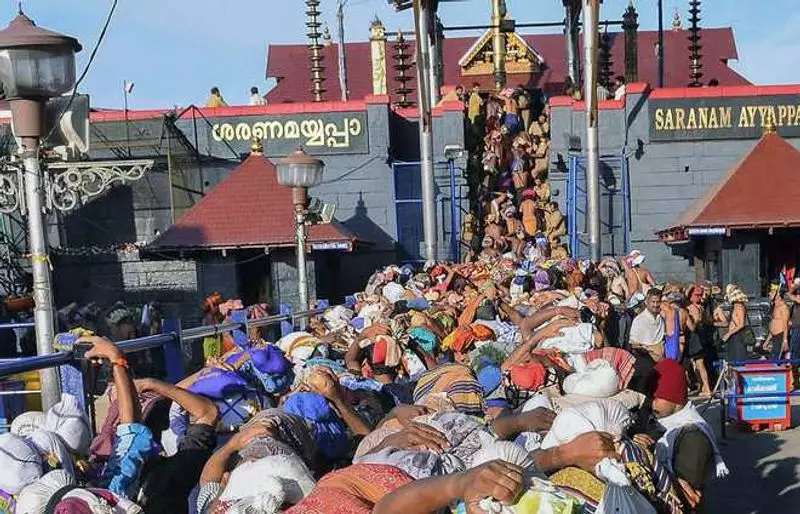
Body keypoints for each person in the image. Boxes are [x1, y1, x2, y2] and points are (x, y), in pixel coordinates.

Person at [645, 359, 728, 512]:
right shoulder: (663, 424)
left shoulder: (693, 436)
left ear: (673, 397)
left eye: (656, 397)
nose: (652, 403)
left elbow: (687, 493)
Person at [686, 285, 712, 397]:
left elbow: (695, 324)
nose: (699, 297)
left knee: (699, 364)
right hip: (699, 336)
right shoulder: (698, 307)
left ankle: (707, 388)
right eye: (697, 295)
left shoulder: (693, 307)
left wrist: (694, 322)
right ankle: (702, 386)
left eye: (700, 295)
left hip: (695, 337)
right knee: (696, 364)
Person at [630, 288, 666, 362]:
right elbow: (633, 344)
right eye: (653, 302)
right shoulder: (639, 320)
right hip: (647, 358)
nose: (655, 305)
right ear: (646, 302)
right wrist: (650, 354)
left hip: (662, 356)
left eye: (658, 302)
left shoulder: (661, 317)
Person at [722, 284, 751, 362]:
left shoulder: (739, 307)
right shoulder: (735, 306)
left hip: (738, 337)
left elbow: (741, 324)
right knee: (733, 360)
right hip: (734, 337)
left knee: (738, 360)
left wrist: (729, 334)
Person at [767, 281, 790, 361]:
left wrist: (785, 341)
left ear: (779, 294)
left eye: (772, 292)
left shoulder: (783, 308)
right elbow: (773, 324)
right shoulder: (774, 307)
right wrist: (767, 341)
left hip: (780, 338)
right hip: (773, 338)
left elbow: (785, 326)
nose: (769, 293)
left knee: (776, 362)